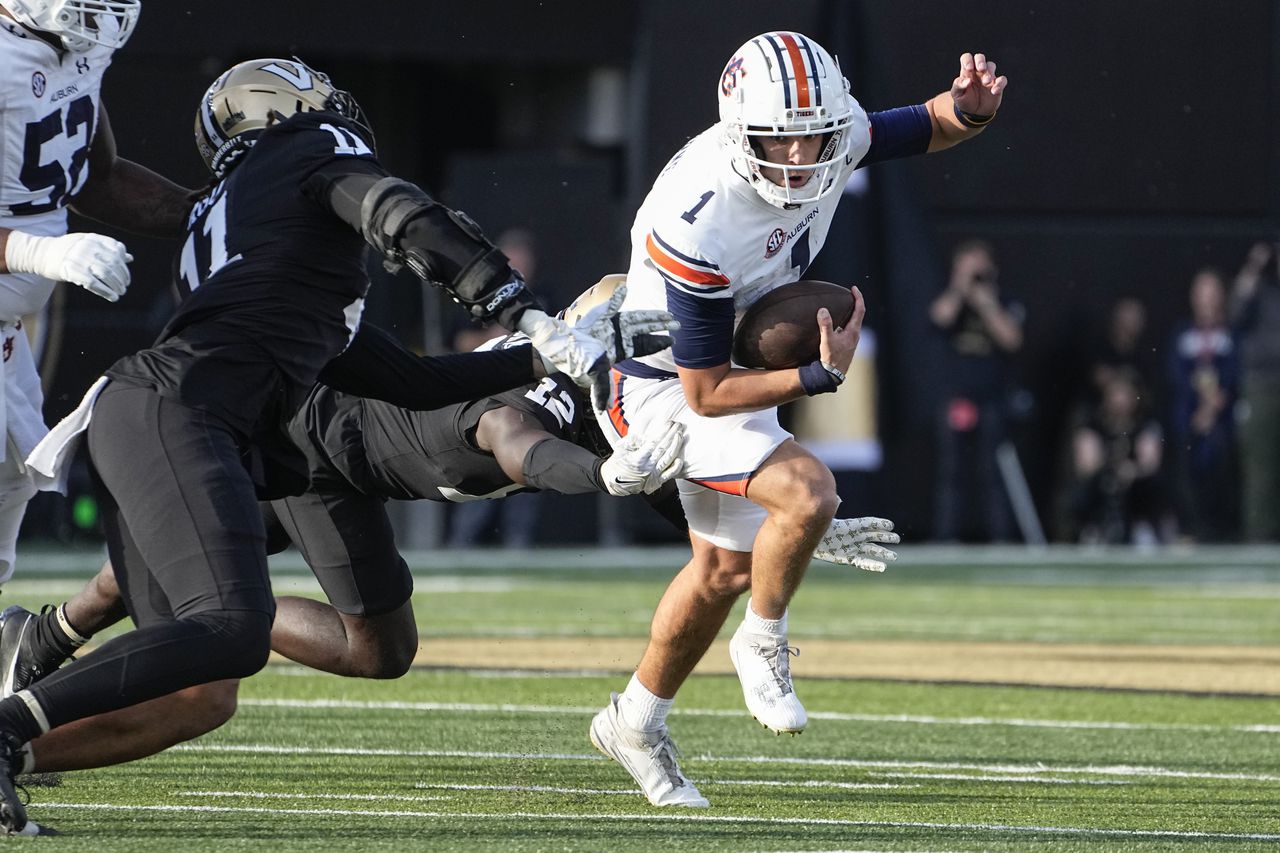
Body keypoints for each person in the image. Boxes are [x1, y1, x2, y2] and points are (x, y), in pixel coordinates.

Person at [0, 57, 677, 834]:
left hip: (163, 416)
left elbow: (412, 383)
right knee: (232, 627)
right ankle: (9, 722)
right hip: (174, 412)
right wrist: (519, 307)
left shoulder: (266, 242)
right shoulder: (303, 150)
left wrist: (539, 356)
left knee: (199, 690)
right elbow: (404, 216)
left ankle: (21, 732)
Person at [0, 280, 690, 776]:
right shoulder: (542, 397)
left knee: (380, 651)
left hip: (354, 463)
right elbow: (514, 439)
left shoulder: (584, 380)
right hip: (312, 440)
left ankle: (51, 632)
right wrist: (598, 476)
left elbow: (664, 479)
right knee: (206, 662)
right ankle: (29, 730)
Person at [588, 31, 1005, 807]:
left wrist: (971, 111)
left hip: (725, 364)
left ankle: (634, 720)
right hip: (654, 383)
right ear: (743, 133)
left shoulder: (827, 133)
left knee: (722, 571)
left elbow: (927, 122)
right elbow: (705, 392)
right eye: (783, 136)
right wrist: (816, 375)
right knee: (807, 493)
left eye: (816, 131)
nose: (803, 152)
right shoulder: (700, 217)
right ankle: (764, 640)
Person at [0, 0, 195, 596]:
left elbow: (95, 178)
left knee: (9, 486)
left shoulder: (76, 44)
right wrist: (43, 253)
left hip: (8, 332)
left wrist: (214, 215)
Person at [927, 239, 1024, 542]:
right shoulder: (951, 300)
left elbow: (1012, 340)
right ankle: (946, 537)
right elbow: (938, 317)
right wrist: (960, 286)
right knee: (951, 471)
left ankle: (1000, 537)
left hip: (992, 397)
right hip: (956, 397)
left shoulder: (1004, 301)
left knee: (992, 470)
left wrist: (986, 301)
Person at [1167, 268, 1240, 542]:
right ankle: (1191, 527)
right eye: (1201, 291)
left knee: (1223, 465)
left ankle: (1224, 529)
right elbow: (1176, 373)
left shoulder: (1230, 332)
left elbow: (1235, 371)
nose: (1206, 298)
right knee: (1186, 466)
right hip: (1191, 415)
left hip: (1223, 417)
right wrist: (1200, 407)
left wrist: (1216, 402)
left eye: (1212, 291)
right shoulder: (1183, 332)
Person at [1068, 367, 1166, 545]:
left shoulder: (1145, 425)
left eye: (1125, 394)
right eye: (1115, 394)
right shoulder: (1093, 424)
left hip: (1136, 493)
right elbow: (1086, 465)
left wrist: (1133, 470)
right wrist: (1110, 468)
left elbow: (1150, 463)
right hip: (1101, 488)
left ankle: (1142, 529)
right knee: (1095, 486)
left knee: (1150, 485)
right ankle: (1093, 529)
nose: (1120, 400)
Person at [1229, 241, 1280, 542]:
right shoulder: (1260, 292)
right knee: (1261, 468)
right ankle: (1260, 539)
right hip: (1262, 386)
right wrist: (1254, 265)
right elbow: (1234, 313)